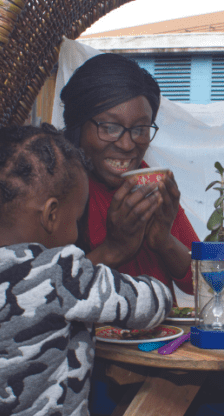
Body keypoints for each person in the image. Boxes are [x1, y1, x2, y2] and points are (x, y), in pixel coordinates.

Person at [0, 124, 172, 416]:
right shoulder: (61, 270)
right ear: (51, 214)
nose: (76, 230)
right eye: (76, 218)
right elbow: (146, 304)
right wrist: (159, 289)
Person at [60, 53, 197, 300]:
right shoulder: (55, 186)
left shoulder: (150, 182)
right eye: (110, 128)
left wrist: (164, 242)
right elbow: (41, 294)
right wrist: (114, 249)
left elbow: (203, 280)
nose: (126, 144)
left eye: (140, 129)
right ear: (78, 126)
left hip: (160, 338)